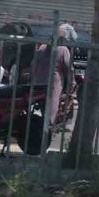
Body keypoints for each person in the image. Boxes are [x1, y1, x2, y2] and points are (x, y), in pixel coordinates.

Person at [30, 24, 75, 152]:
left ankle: (42, 135)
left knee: (43, 110)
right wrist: (71, 86)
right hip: (53, 84)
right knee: (51, 113)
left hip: (39, 83)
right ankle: (46, 140)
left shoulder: (42, 48)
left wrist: (33, 81)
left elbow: (33, 65)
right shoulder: (63, 50)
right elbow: (68, 69)